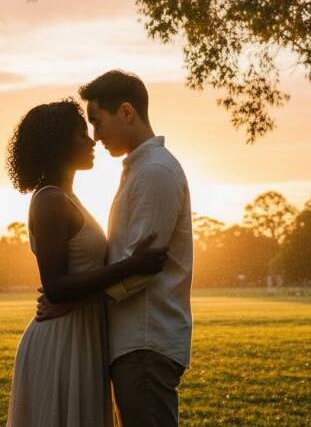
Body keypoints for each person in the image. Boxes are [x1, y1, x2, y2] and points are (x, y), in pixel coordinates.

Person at [39, 70, 194, 427]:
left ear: (126, 112)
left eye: (97, 121)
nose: (95, 136)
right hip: (134, 342)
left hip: (145, 340)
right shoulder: (139, 171)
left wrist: (71, 302)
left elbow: (142, 270)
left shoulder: (155, 172)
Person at [5, 99, 169, 427]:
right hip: (62, 339)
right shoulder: (50, 200)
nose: (92, 141)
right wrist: (131, 266)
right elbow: (55, 287)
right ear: (59, 145)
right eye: (82, 135)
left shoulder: (68, 198)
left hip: (82, 334)